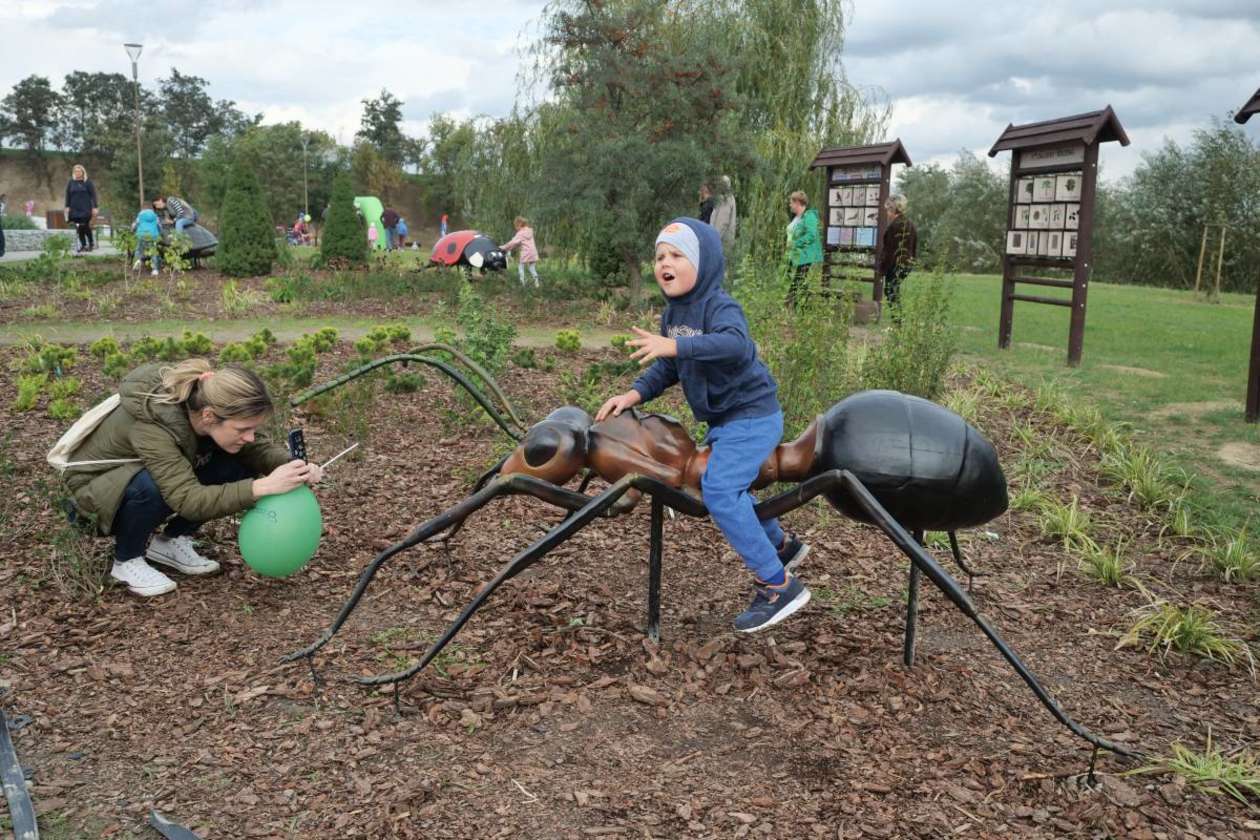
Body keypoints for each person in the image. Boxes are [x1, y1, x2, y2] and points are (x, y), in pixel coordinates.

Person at [596, 218, 810, 633]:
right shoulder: (674, 315)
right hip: (726, 422)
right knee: (728, 483)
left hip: (752, 414)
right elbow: (670, 367)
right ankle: (782, 546)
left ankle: (778, 585)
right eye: (660, 256)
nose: (665, 263)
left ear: (704, 263)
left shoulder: (719, 306)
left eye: (677, 255)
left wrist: (676, 344)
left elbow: (735, 345)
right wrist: (633, 395)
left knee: (719, 490)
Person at [60, 360, 323, 597]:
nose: (251, 436)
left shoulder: (206, 406)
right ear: (209, 416)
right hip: (91, 499)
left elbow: (256, 449)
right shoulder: (153, 424)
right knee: (150, 487)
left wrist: (291, 466)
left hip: (137, 479)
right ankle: (127, 560)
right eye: (244, 429)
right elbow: (187, 499)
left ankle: (169, 542)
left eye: (254, 428)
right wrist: (262, 486)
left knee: (238, 459)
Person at [878, 194, 918, 311]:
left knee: (891, 292)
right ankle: (898, 323)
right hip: (906, 264)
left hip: (895, 265)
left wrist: (881, 270)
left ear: (893, 209)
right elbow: (914, 247)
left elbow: (889, 251)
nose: (887, 213)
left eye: (888, 209)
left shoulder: (894, 226)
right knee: (893, 291)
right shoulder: (910, 224)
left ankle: (898, 324)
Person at [785, 190, 822, 305]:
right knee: (794, 281)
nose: (790, 205)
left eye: (791, 202)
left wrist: (795, 244)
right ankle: (799, 305)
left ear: (798, 203)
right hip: (795, 255)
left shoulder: (809, 216)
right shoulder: (797, 218)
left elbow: (811, 235)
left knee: (797, 282)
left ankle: (791, 306)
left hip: (806, 256)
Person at [64, 164, 99, 253]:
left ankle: (91, 243)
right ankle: (83, 245)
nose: (77, 173)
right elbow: (68, 195)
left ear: (83, 172)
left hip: (85, 208)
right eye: (75, 171)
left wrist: (95, 207)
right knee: (79, 227)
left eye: (79, 171)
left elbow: (93, 195)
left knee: (85, 225)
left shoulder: (87, 182)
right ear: (73, 172)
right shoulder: (71, 182)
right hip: (74, 208)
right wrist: (67, 206)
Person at [500, 216, 540, 287]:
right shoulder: (529, 231)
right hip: (533, 252)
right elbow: (517, 243)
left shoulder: (520, 233)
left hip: (526, 252)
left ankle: (522, 283)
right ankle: (537, 284)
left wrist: (503, 247)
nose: (515, 228)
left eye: (515, 226)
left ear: (519, 225)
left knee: (521, 266)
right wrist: (508, 249)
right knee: (532, 268)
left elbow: (512, 243)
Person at [710, 175, 737, 263]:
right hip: (719, 238)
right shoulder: (723, 197)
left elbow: (723, 222)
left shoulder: (727, 199)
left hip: (721, 239)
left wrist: (714, 238)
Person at [132, 201, 164, 276]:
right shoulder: (155, 216)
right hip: (153, 236)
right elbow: (159, 226)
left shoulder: (140, 215)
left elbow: (135, 225)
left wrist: (133, 230)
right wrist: (161, 233)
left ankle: (138, 261)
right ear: (151, 208)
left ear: (142, 208)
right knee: (153, 252)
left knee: (139, 250)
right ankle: (155, 269)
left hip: (141, 235)